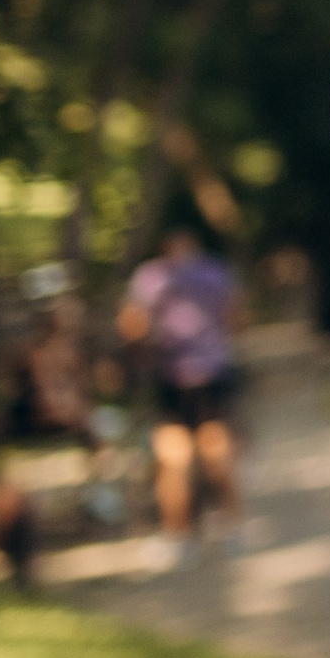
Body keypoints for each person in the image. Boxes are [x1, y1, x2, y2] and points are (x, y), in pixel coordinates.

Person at [118, 220, 242, 543]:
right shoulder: (216, 272)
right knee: (218, 450)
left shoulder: (151, 277)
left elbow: (132, 325)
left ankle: (178, 534)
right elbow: (238, 317)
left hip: (171, 374)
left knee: (174, 456)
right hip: (215, 370)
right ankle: (232, 527)